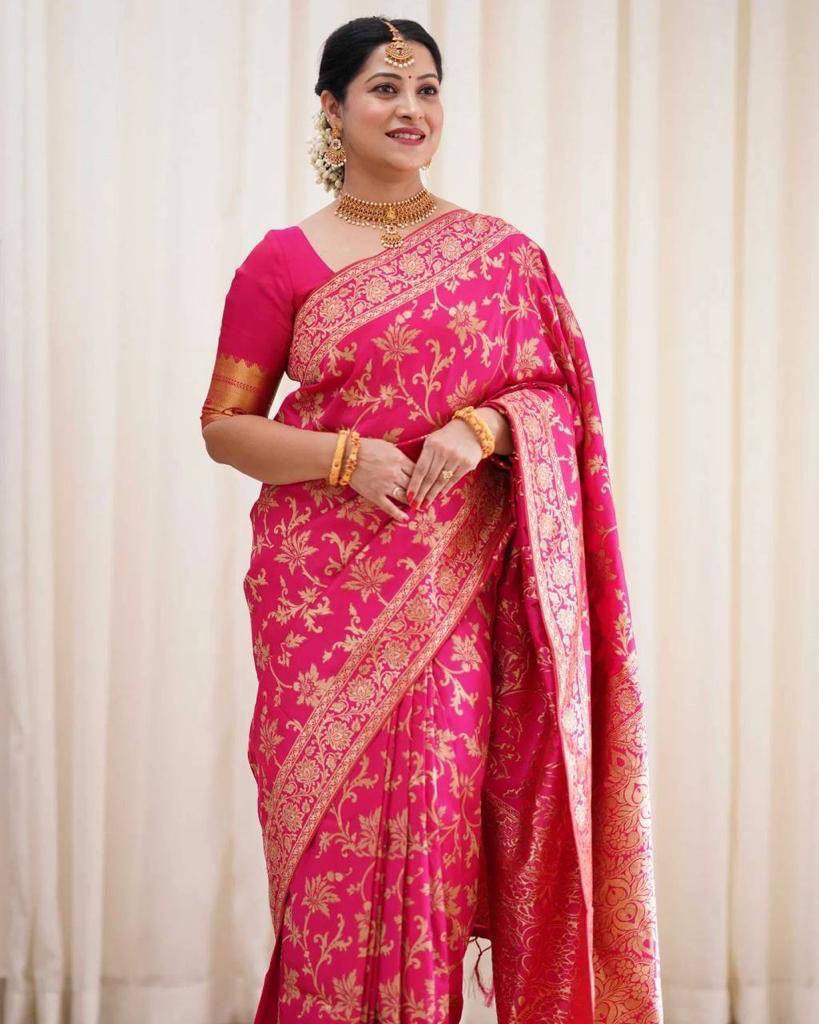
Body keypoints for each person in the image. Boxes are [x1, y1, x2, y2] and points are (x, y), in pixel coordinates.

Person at [200, 16, 663, 1024]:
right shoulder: (280, 262)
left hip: (452, 598)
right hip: (319, 604)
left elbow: (558, 399)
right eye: (384, 88)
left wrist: (485, 426)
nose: (410, 109)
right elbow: (224, 427)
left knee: (439, 826)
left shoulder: (502, 257)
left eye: (426, 89)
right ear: (332, 107)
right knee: (327, 857)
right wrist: (345, 456)